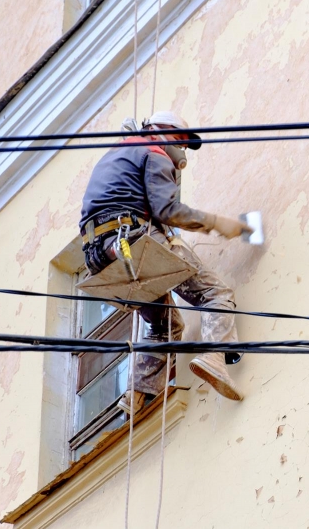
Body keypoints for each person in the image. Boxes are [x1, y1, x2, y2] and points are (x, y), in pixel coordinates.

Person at [78, 110, 251, 413]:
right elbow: (167, 210)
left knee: (165, 325)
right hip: (133, 241)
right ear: (163, 131)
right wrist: (217, 223)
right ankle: (214, 358)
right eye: (182, 143)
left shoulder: (118, 153)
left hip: (103, 256)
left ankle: (137, 393)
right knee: (216, 294)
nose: (182, 152)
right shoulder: (153, 150)